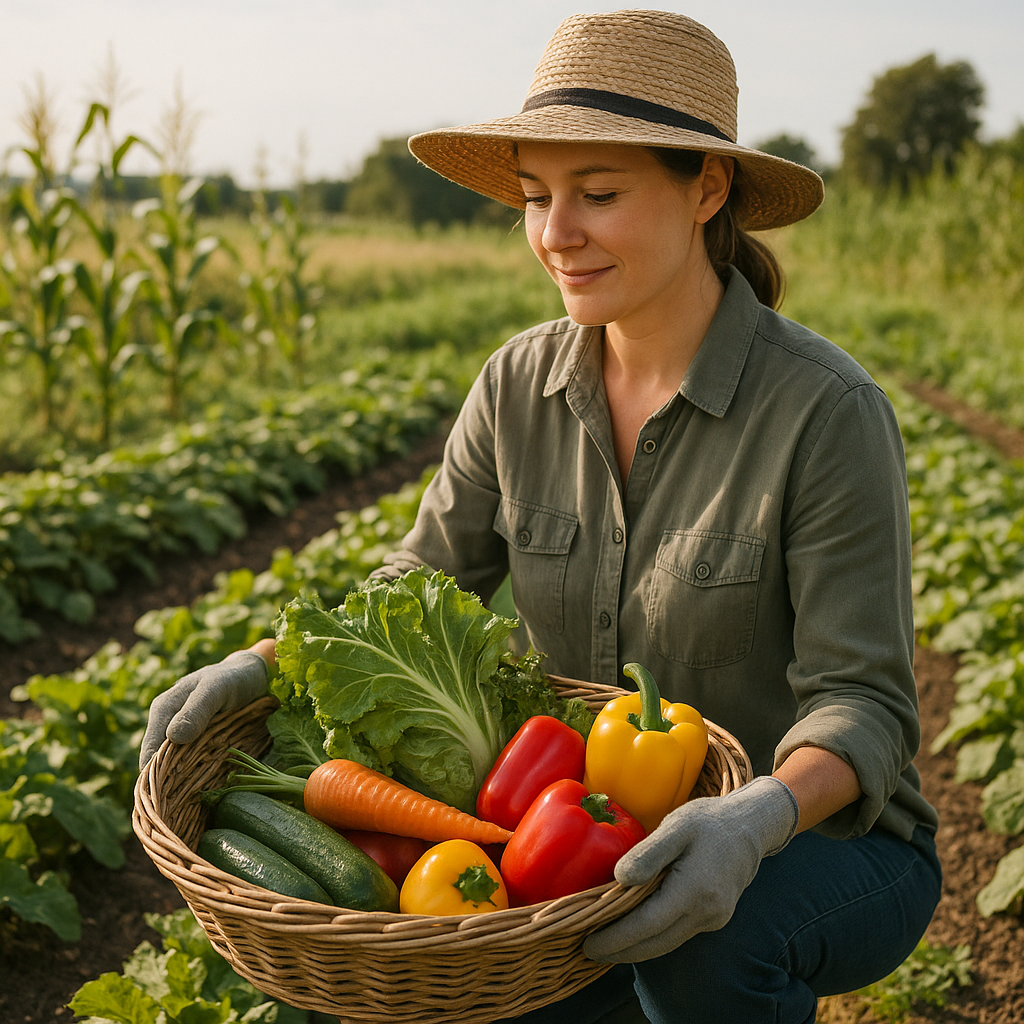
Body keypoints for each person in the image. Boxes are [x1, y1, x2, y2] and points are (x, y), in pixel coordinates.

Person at [140, 10, 941, 1023]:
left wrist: (754, 819)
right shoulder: (517, 383)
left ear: (706, 188)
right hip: (586, 833)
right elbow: (417, 581)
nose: (555, 234)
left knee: (705, 947)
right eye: (534, 197)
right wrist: (269, 657)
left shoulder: (823, 412)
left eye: (597, 194)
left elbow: (862, 705)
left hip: (820, 841)